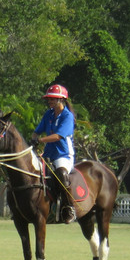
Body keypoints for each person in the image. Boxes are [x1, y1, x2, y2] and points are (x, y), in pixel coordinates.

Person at [32, 83, 77, 223]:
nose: (50, 101)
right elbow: (37, 130)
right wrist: (33, 138)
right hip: (48, 154)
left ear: (61, 99)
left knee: (61, 174)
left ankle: (69, 208)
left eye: (53, 98)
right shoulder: (48, 114)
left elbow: (58, 136)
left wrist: (40, 140)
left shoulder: (67, 116)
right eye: (49, 99)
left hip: (63, 155)